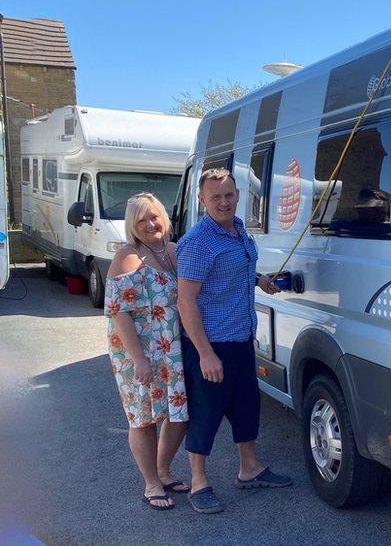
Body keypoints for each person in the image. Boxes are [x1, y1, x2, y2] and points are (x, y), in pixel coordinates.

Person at [176, 168, 291, 514]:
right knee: (206, 414)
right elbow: (186, 302)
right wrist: (205, 353)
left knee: (246, 408)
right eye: (215, 197)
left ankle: (249, 469)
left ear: (237, 194)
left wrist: (259, 279)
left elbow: (232, 270)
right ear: (202, 200)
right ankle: (199, 483)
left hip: (241, 337)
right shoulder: (198, 242)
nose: (223, 202)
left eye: (229, 194)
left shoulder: (238, 229)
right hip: (212, 345)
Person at [105, 192, 189, 510]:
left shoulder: (173, 251)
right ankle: (151, 482)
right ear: (132, 226)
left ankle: (164, 471)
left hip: (171, 348)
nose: (149, 224)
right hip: (136, 352)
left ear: (164, 217)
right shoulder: (129, 256)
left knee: (178, 413)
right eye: (141, 220)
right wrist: (138, 358)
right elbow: (117, 309)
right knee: (143, 419)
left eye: (153, 216)